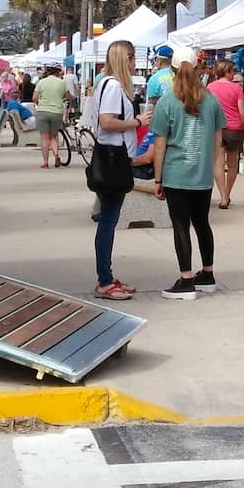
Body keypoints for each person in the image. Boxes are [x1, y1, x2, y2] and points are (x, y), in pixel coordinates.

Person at [152, 45, 226, 300]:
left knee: (181, 226)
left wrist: (158, 178)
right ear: (198, 68)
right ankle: (207, 273)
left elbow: (160, 144)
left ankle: (186, 280)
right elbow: (218, 141)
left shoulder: (167, 102)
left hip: (176, 173)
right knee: (202, 223)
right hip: (202, 174)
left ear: (172, 69)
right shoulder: (211, 101)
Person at [92, 39, 150, 300]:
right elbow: (106, 122)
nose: (134, 62)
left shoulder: (106, 84)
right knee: (108, 221)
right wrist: (136, 121)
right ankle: (104, 281)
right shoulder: (114, 86)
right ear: (124, 58)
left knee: (108, 219)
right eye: (132, 57)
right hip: (114, 158)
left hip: (113, 157)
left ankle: (106, 276)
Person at [207, 59, 244, 209]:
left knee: (218, 163)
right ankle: (227, 194)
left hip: (217, 128)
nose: (234, 74)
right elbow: (243, 113)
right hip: (234, 128)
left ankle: (223, 196)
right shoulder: (236, 89)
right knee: (232, 165)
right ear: (227, 72)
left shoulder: (210, 87)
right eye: (233, 71)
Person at [33, 65, 67, 169]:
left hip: (43, 111)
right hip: (57, 112)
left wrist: (40, 103)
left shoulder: (41, 82)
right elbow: (67, 96)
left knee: (44, 138)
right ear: (58, 72)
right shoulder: (62, 83)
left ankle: (45, 162)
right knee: (53, 136)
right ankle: (56, 155)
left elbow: (35, 98)